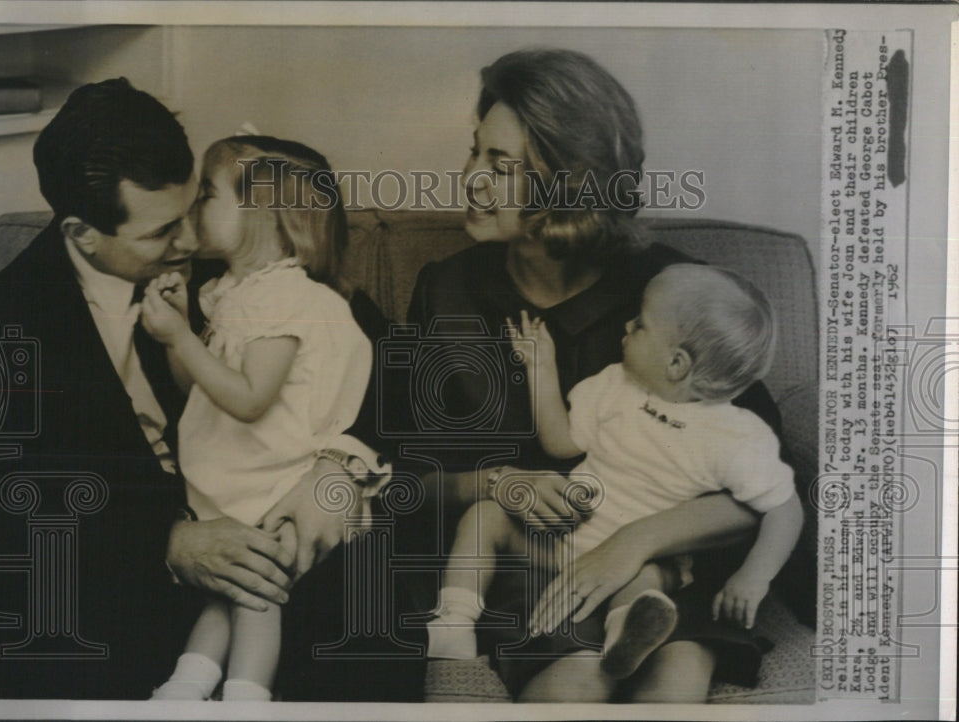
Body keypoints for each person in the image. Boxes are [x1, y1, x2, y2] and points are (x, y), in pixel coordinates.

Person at [392, 48, 800, 702]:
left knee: (680, 668)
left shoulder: (670, 295)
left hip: (663, 574)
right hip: (528, 565)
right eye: (475, 153)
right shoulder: (447, 291)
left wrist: (637, 542)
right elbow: (406, 481)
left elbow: (759, 487)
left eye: (500, 164)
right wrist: (500, 484)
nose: (469, 179)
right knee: (573, 679)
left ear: (569, 183)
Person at [0, 78, 405, 700]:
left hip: (282, 556)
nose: (185, 244)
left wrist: (341, 466)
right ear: (80, 233)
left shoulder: (237, 250)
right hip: (119, 597)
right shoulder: (4, 321)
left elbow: (390, 365)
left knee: (367, 664)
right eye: (159, 234)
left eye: (191, 211)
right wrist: (166, 543)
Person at [426, 265, 804, 699]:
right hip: (562, 540)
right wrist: (540, 368)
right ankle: (454, 619)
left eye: (640, 325)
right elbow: (560, 443)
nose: (627, 326)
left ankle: (626, 633)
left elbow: (785, 508)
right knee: (486, 515)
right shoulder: (615, 386)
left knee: (649, 579)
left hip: (644, 566)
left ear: (676, 363)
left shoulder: (737, 436)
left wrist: (754, 576)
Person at [144, 136, 372, 701]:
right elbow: (196, 390)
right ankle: (185, 687)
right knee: (227, 584)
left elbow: (249, 399)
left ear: (264, 215)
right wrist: (180, 331)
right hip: (234, 468)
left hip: (276, 473)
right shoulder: (232, 295)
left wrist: (177, 337)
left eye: (209, 195)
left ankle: (246, 694)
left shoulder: (283, 298)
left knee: (254, 590)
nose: (194, 205)